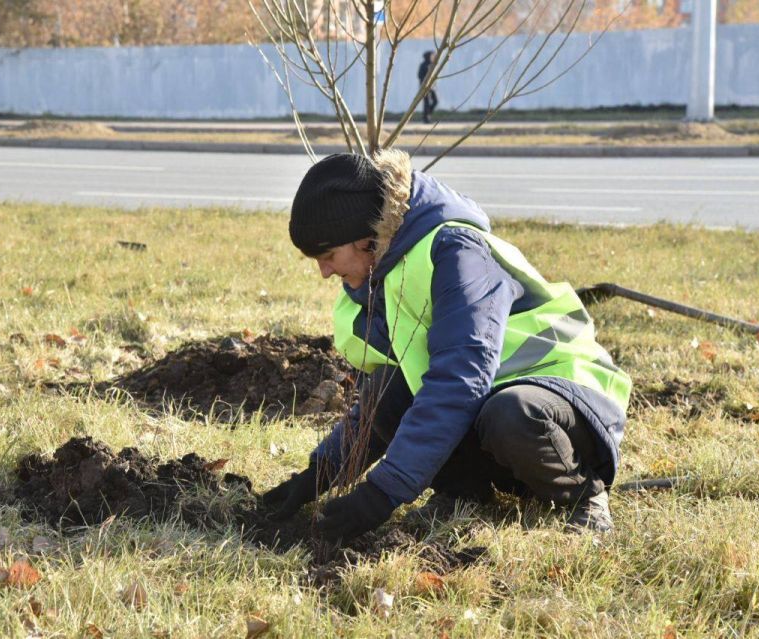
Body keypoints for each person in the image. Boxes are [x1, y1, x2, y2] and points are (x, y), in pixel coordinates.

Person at [263, 151, 632, 543]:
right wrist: (317, 475)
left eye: (328, 256)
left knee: (510, 412)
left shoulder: (456, 252)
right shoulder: (388, 271)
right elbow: (393, 395)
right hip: (494, 407)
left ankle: (584, 496)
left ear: (365, 240)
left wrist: (382, 493)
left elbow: (460, 379)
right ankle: (464, 493)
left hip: (566, 403)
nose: (324, 272)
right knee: (391, 386)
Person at [417, 51, 438, 123]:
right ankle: (426, 119)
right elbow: (419, 75)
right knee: (426, 103)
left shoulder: (432, 65)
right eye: (432, 56)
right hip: (424, 87)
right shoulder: (423, 65)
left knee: (435, 101)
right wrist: (426, 81)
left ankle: (427, 115)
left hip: (432, 87)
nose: (433, 57)